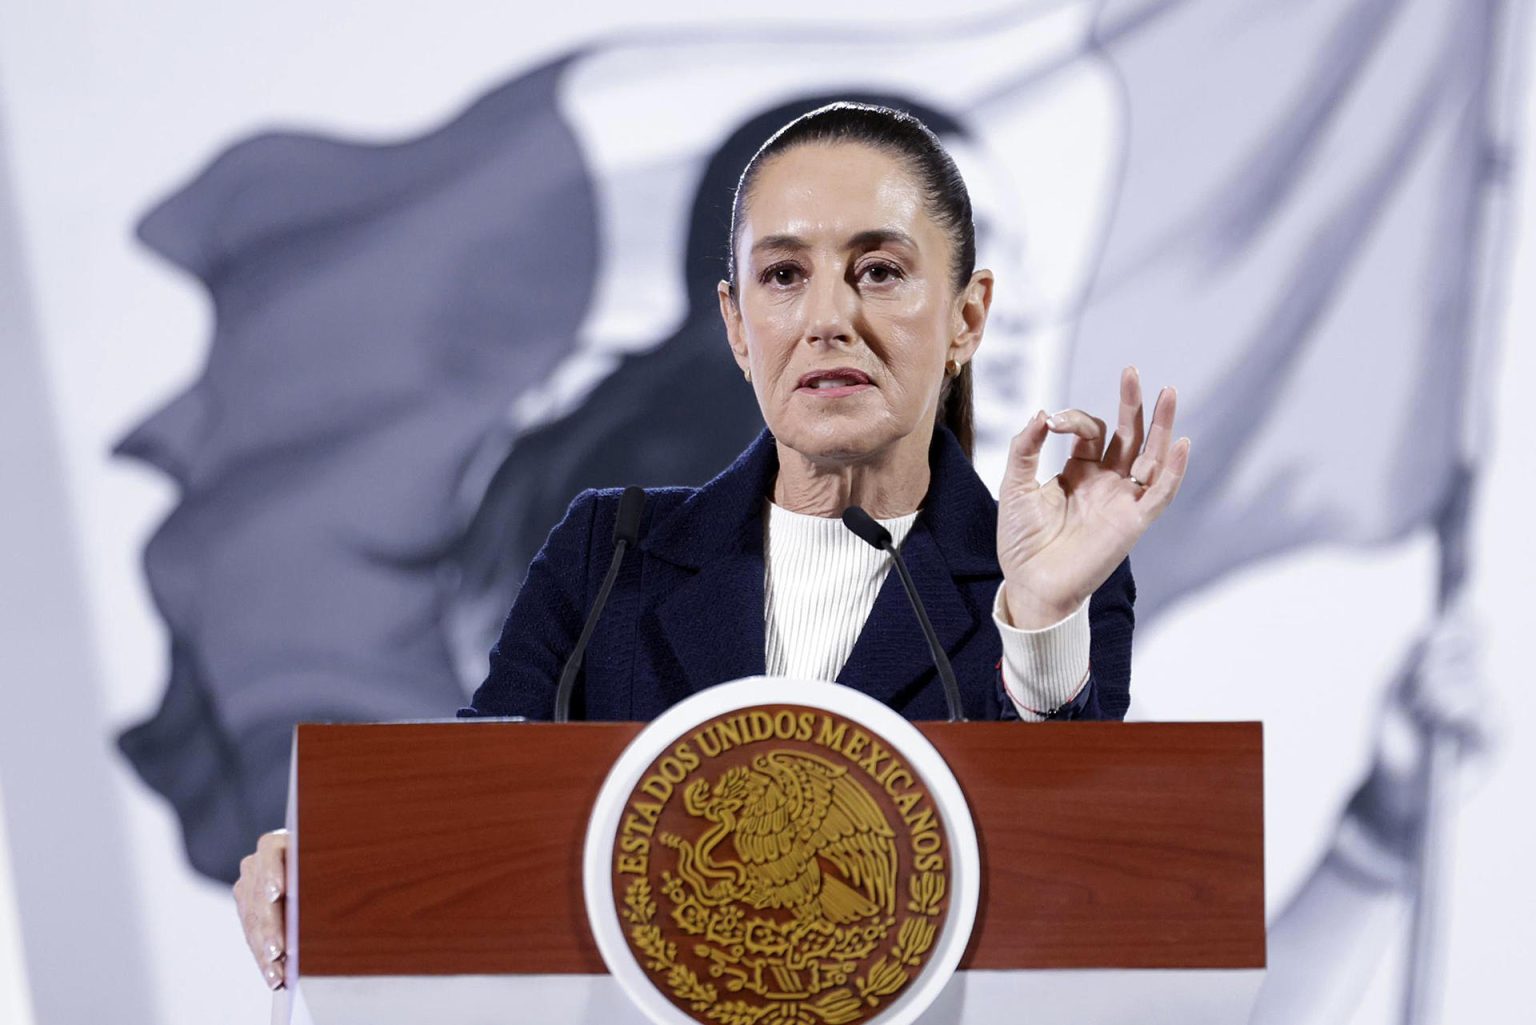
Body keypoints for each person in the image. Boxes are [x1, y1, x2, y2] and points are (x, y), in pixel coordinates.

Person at [232, 101, 1190, 989]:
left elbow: (1063, 879)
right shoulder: (610, 552)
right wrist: (342, 852)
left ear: (968, 317)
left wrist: (1036, 613)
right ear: (737, 325)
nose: (827, 320)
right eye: (783, 276)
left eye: (881, 271)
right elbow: (489, 797)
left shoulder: (1049, 588)